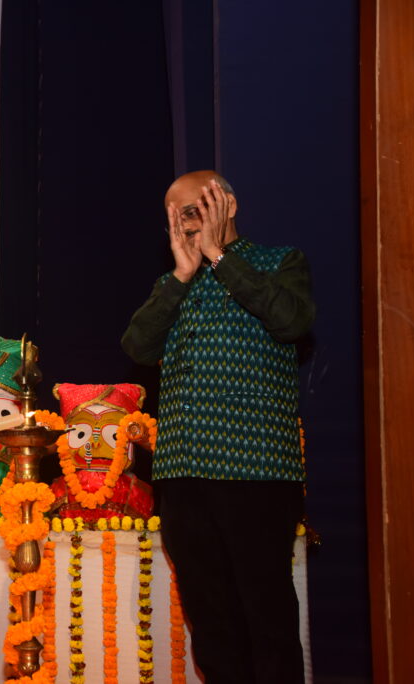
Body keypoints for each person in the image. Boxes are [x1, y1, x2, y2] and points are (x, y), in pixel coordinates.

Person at [121, 171, 314, 684]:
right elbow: (138, 346)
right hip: (183, 475)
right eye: (174, 214)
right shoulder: (173, 283)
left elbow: (292, 320)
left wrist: (221, 259)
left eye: (195, 210)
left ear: (229, 204)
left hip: (256, 471)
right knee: (211, 622)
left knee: (267, 618)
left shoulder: (279, 262)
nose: (185, 223)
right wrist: (183, 275)